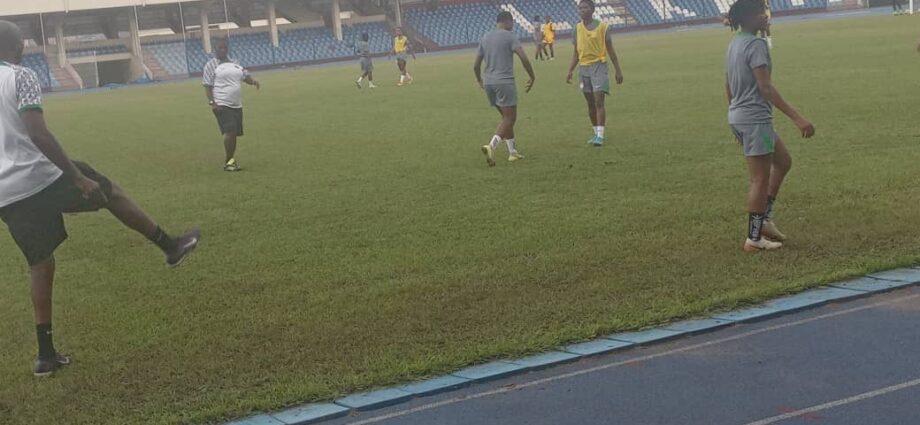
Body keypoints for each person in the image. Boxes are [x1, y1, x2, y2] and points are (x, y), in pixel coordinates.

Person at [0, 20, 201, 376]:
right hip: (41, 174)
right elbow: (38, 133)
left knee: (40, 263)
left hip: (6, 192)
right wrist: (76, 177)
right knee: (108, 191)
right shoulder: (20, 76)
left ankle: (45, 355)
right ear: (18, 48)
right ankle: (169, 246)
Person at [725, 0, 815, 252]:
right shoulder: (755, 45)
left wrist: (734, 116)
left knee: (783, 161)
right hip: (755, 120)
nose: (765, 16)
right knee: (759, 179)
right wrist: (797, 118)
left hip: (742, 117)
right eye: (759, 13)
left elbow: (728, 84)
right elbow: (765, 87)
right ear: (748, 17)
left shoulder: (735, 43)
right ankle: (753, 238)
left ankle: (764, 219)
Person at [475, 11, 536, 166]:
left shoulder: (485, 37)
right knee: (510, 118)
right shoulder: (510, 36)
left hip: (489, 83)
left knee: (506, 119)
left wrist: (479, 80)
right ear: (508, 21)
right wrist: (532, 76)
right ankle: (491, 146)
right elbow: (523, 57)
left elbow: (476, 65)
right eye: (512, 22)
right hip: (504, 82)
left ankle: (512, 152)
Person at [566, 0, 624, 146]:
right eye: (580, 8)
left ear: (592, 9)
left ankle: (600, 135)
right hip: (583, 69)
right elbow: (576, 53)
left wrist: (618, 70)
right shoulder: (577, 28)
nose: (582, 10)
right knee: (590, 103)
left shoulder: (603, 27)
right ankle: (595, 132)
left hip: (599, 67)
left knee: (599, 101)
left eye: (585, 7)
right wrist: (570, 70)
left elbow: (611, 49)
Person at [202, 39, 260, 172]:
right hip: (222, 104)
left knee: (234, 134)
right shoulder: (211, 65)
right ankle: (229, 163)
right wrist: (212, 103)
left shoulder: (235, 63)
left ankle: (231, 160)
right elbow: (207, 85)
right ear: (214, 49)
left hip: (236, 104)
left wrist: (253, 82)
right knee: (230, 131)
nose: (222, 50)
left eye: (224, 47)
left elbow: (244, 75)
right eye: (219, 48)